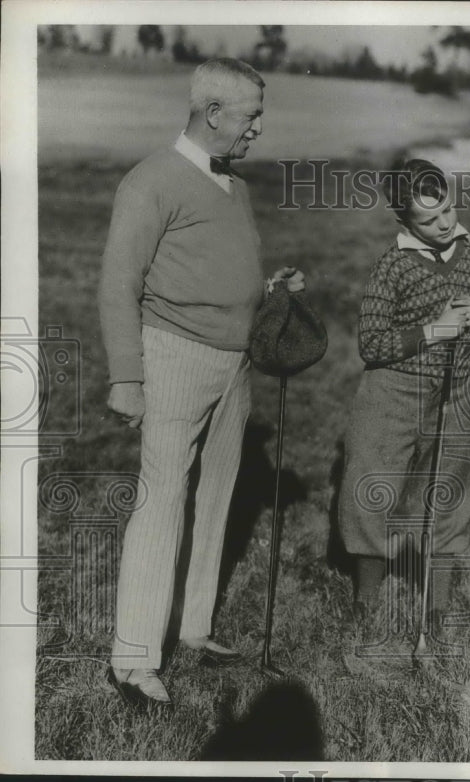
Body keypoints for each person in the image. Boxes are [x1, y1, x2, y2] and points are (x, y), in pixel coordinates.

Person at [99, 58, 304, 709]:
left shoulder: (232, 185)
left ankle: (192, 628)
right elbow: (117, 283)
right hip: (173, 360)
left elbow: (216, 271)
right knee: (162, 501)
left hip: (234, 365)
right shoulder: (151, 181)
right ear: (213, 113)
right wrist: (127, 378)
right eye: (251, 117)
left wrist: (270, 291)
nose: (259, 129)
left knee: (216, 499)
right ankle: (133, 661)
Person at [337, 158, 470, 631]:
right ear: (403, 220)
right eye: (429, 219)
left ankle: (438, 600)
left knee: (452, 487)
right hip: (393, 390)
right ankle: (366, 595)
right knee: (371, 485)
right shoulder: (392, 266)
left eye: (448, 209)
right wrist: (433, 329)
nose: (445, 223)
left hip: (457, 390)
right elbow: (371, 342)